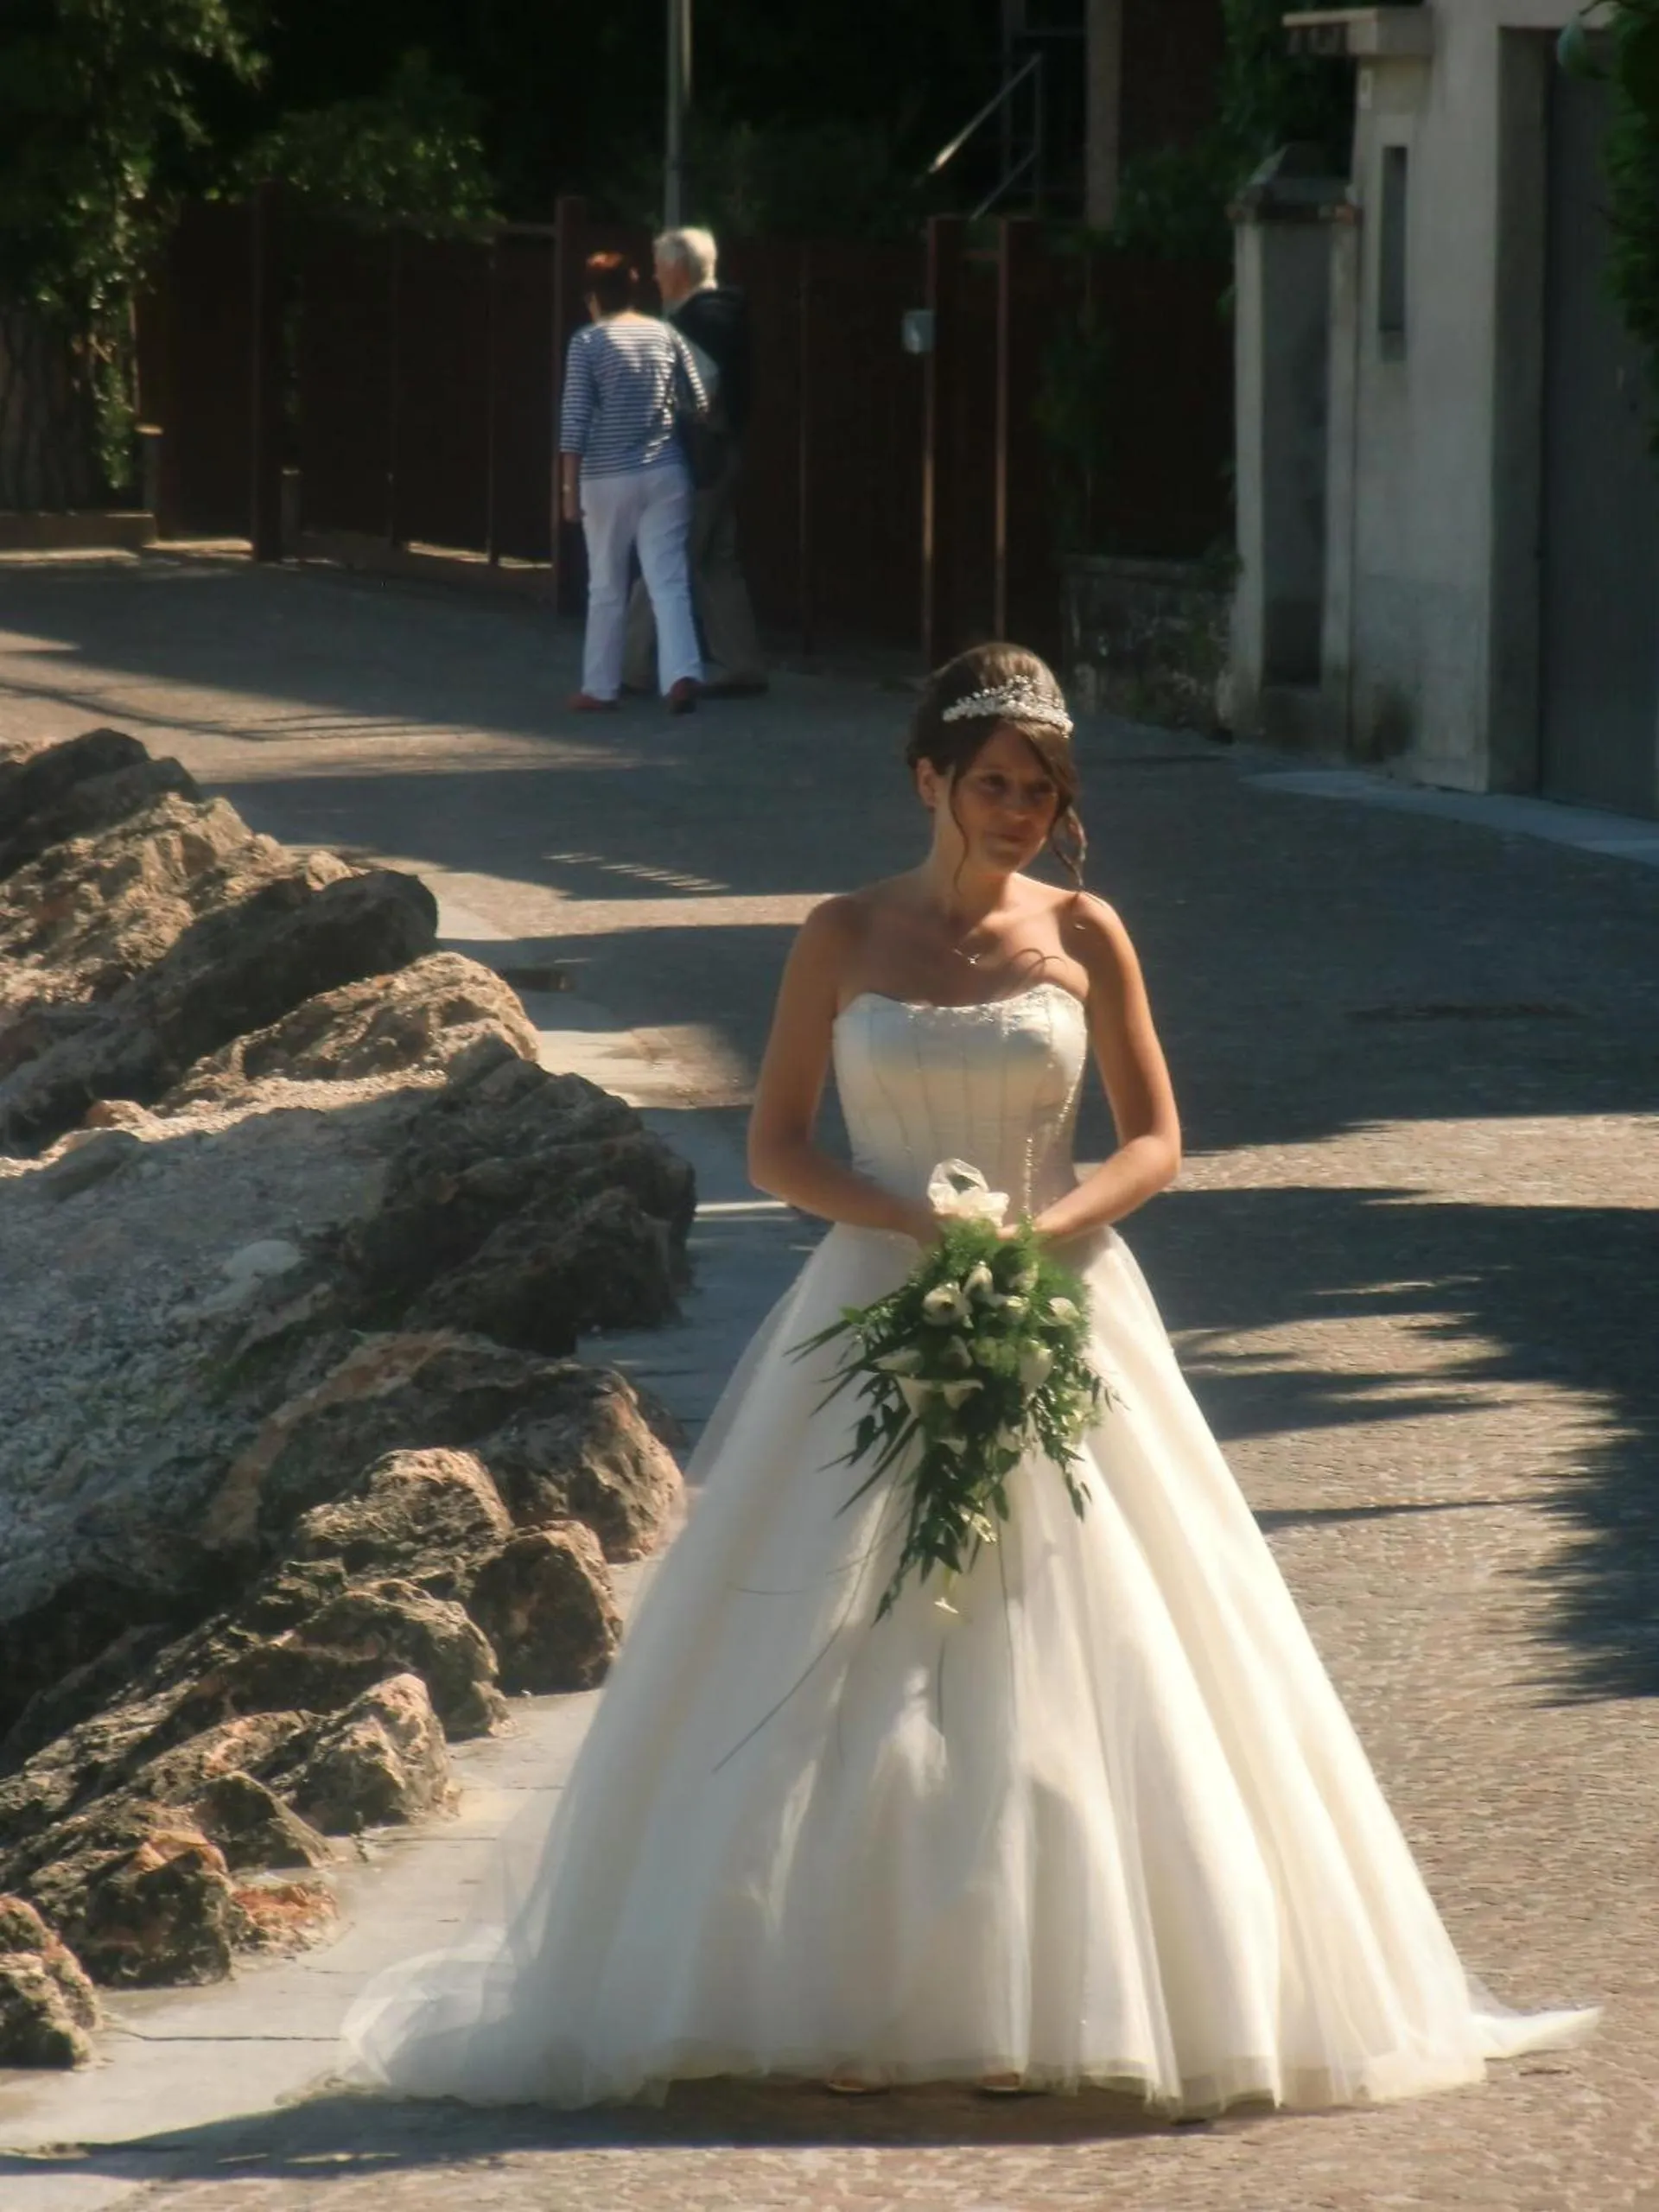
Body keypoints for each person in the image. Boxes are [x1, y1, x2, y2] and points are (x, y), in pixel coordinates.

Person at [340, 641, 1596, 2114]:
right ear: (930, 777)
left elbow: (1154, 1138)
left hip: (1059, 1295)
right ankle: (830, 1991)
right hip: (874, 1292)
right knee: (843, 1632)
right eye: (995, 783)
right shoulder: (839, 933)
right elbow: (778, 1150)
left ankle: (1056, 1990)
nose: (1019, 810)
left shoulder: (1087, 930)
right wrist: (923, 1225)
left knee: (1071, 1632)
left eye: (1043, 789)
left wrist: (1043, 1229)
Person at [558, 251, 706, 715]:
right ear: (634, 290)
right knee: (668, 578)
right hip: (666, 470)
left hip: (606, 478)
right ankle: (681, 674)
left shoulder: (587, 343)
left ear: (591, 298)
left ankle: (600, 687)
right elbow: (697, 400)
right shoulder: (665, 333)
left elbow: (575, 418)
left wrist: (568, 489)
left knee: (606, 584)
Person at [622, 226, 767, 701]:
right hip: (722, 455)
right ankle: (741, 662)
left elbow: (695, 391)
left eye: (661, 268)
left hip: (694, 457)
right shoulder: (725, 314)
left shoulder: (694, 322)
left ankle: (630, 666)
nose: (656, 279)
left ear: (679, 271)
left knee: (662, 555)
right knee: (715, 560)